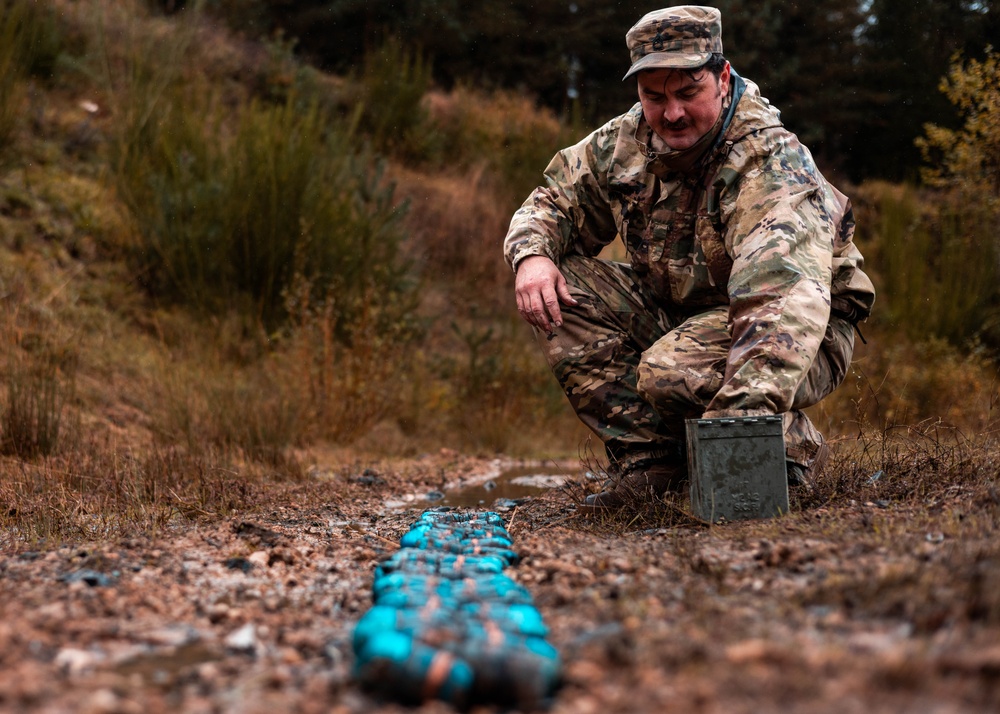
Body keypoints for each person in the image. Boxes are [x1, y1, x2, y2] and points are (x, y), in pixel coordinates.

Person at [503, 6, 875, 510]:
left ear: (722, 79)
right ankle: (655, 464)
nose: (671, 113)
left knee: (668, 369)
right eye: (653, 96)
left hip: (805, 330)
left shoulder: (768, 163)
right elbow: (553, 200)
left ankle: (791, 452)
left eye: (687, 92)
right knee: (564, 282)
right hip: (682, 315)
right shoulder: (625, 143)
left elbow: (780, 300)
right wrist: (531, 256)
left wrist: (740, 441)